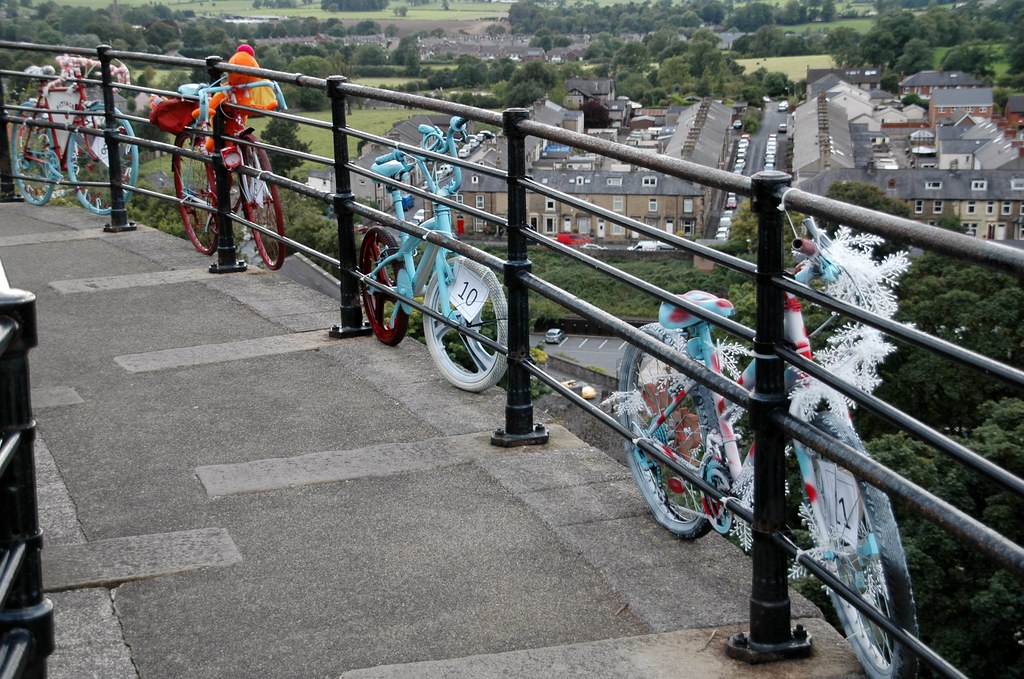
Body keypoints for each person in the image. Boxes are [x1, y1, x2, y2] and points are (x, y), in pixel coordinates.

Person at [194, 44, 278, 152]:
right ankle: (214, 150)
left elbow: (249, 108)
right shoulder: (226, 90)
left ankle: (229, 156)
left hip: (238, 114)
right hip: (226, 111)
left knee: (232, 133)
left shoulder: (246, 90)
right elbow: (216, 101)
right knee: (218, 140)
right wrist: (206, 110)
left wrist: (266, 107)